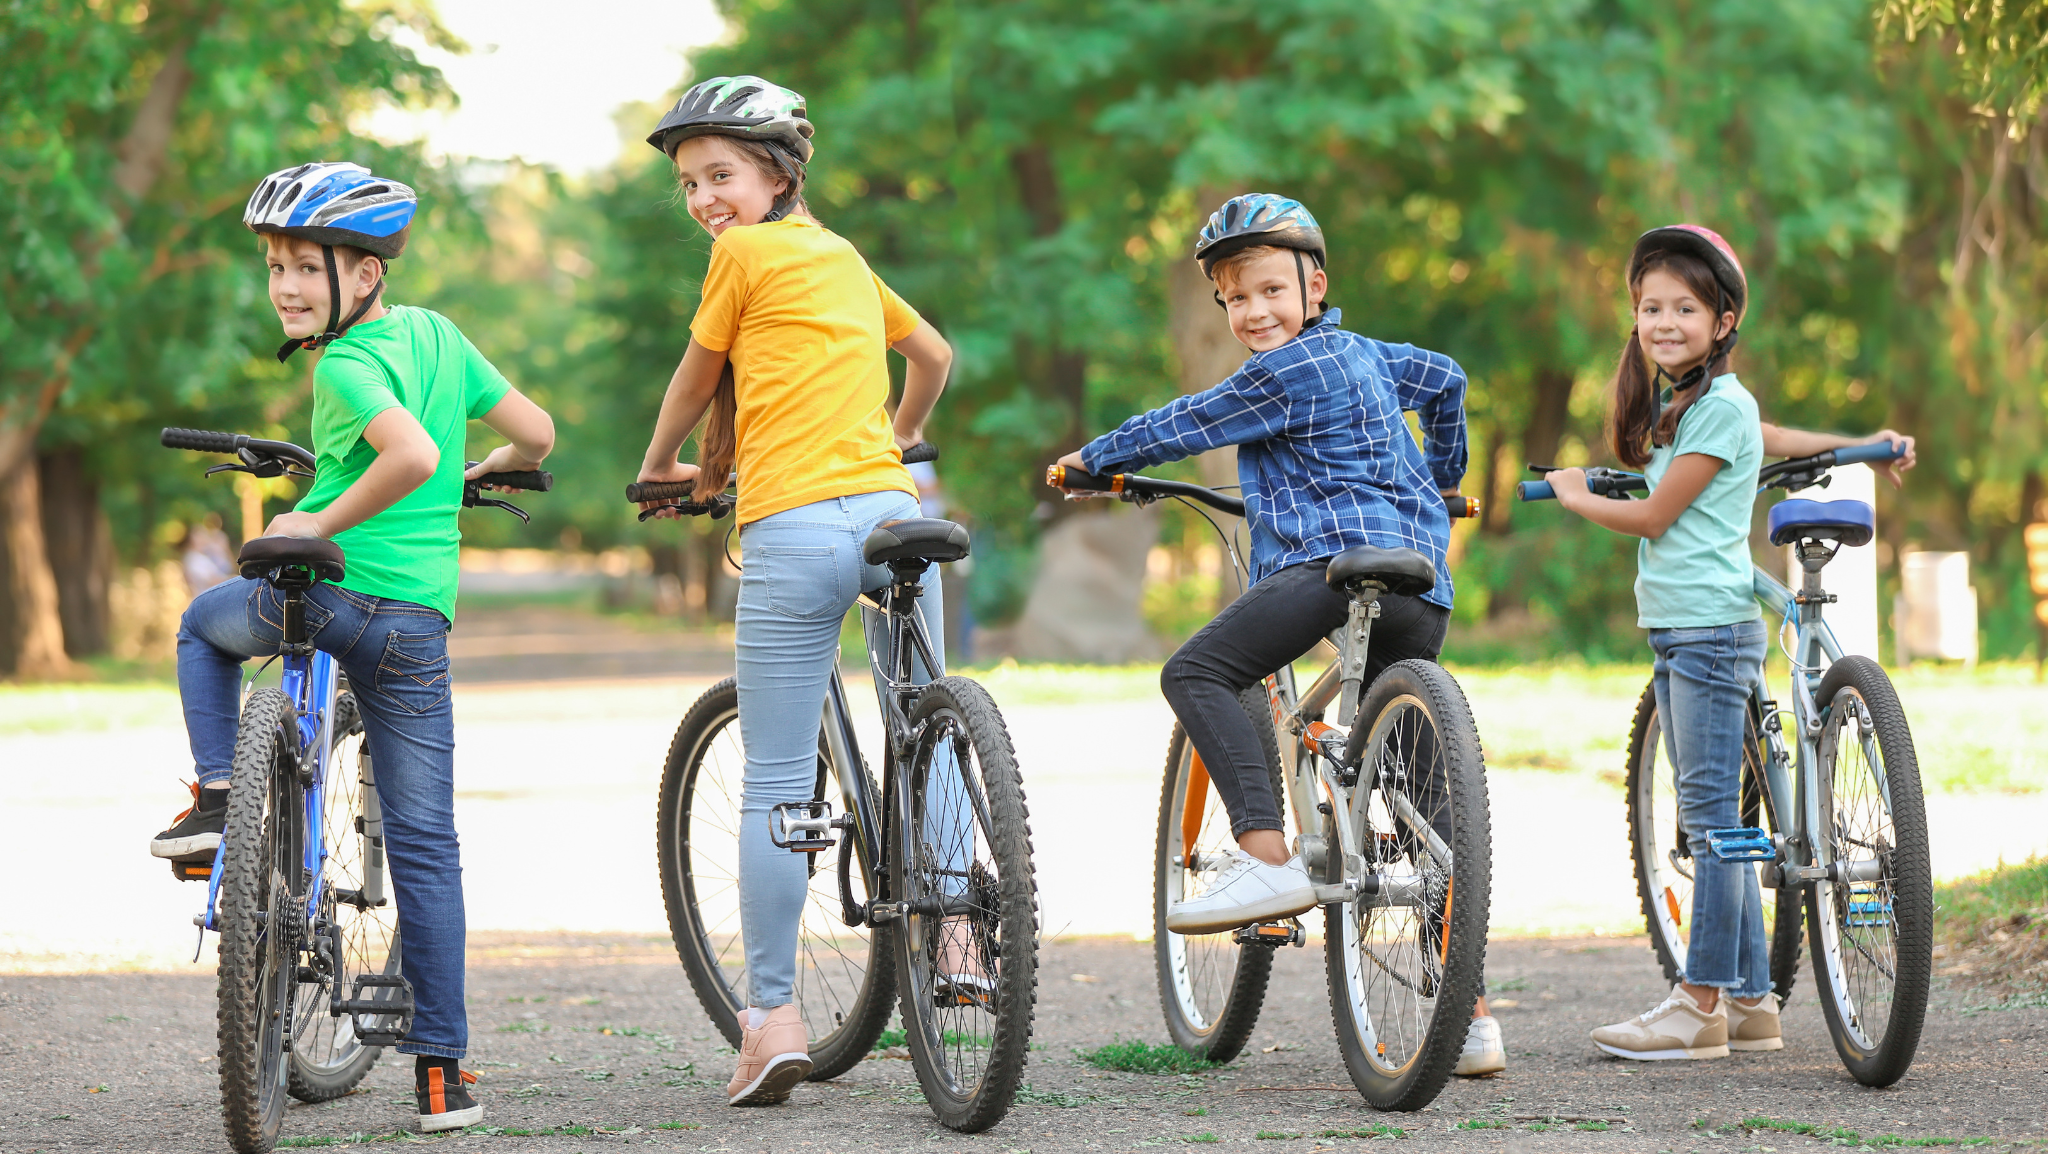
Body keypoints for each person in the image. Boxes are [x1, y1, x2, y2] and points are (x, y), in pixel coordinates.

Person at [1054, 193, 1506, 1078]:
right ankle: (1473, 1015)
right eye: (1235, 298)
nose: (1253, 312)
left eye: (1270, 290)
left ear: (1314, 285)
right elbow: (1448, 379)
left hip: (1325, 565)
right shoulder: (1369, 354)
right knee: (1420, 787)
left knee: (1197, 673)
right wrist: (1443, 481)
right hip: (1422, 580)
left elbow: (1185, 422)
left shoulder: (1283, 371)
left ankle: (1265, 856)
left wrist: (1093, 461)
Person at [147, 161, 557, 1131]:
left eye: (306, 266)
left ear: (365, 274)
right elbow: (536, 433)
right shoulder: (441, 338)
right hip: (415, 622)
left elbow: (409, 454)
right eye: (275, 267)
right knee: (426, 841)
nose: (286, 286)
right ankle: (442, 1074)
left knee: (202, 624)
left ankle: (219, 798)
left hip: (327, 598)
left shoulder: (342, 365)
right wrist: (487, 470)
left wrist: (315, 519)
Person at [631, 76, 957, 1107]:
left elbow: (698, 375)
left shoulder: (742, 254)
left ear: (778, 175)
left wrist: (661, 463)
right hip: (895, 516)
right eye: (690, 183)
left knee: (776, 779)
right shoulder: (845, 258)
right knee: (927, 726)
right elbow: (933, 354)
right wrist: (900, 436)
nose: (703, 200)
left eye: (719, 175)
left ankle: (770, 1021)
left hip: (796, 527)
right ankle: (960, 935)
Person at [1548, 224, 1913, 1061]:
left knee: (1713, 824)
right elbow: (1772, 437)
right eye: (1651, 307)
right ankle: (1751, 1002)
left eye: (1685, 308)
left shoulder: (1716, 407)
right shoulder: (1699, 406)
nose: (1664, 322)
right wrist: (1860, 446)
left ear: (1722, 322)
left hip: (1708, 632)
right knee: (1725, 824)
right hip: (1687, 628)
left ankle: (1699, 1004)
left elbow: (1653, 515)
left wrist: (1573, 494)